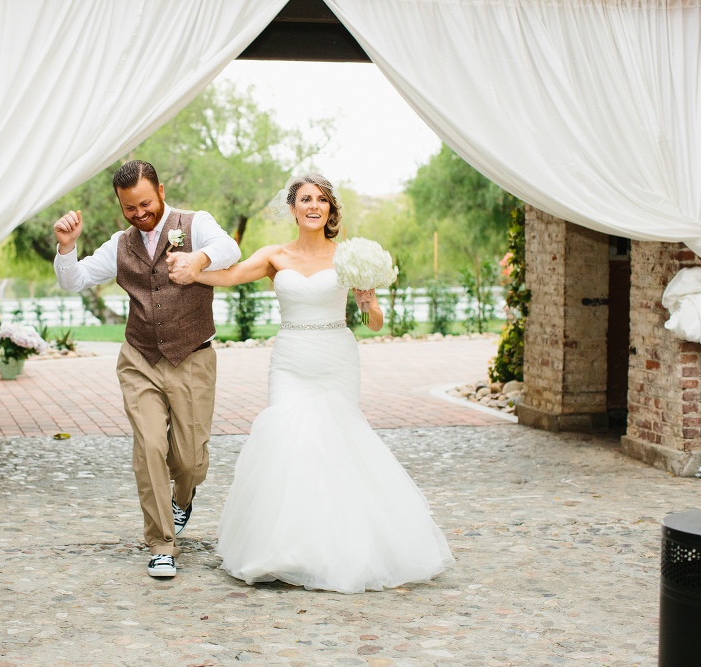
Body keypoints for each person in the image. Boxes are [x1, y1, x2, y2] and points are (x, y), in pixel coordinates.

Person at [176, 173, 454, 593]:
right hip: (290, 360)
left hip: (335, 358)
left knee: (337, 443)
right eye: (305, 199)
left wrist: (368, 302)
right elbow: (231, 276)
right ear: (292, 208)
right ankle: (286, 549)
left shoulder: (350, 257)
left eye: (321, 200)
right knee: (290, 441)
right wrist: (191, 271)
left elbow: (375, 323)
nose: (313, 206)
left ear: (330, 210)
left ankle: (343, 548)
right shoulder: (275, 255)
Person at [53, 160, 240, 579]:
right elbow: (74, 280)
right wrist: (67, 247)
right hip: (140, 359)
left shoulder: (194, 223)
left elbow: (231, 249)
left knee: (190, 462)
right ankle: (161, 543)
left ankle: (183, 497)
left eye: (145, 204)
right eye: (129, 208)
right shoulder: (120, 244)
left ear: (159, 189)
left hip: (192, 355)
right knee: (151, 445)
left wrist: (199, 259)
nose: (139, 214)